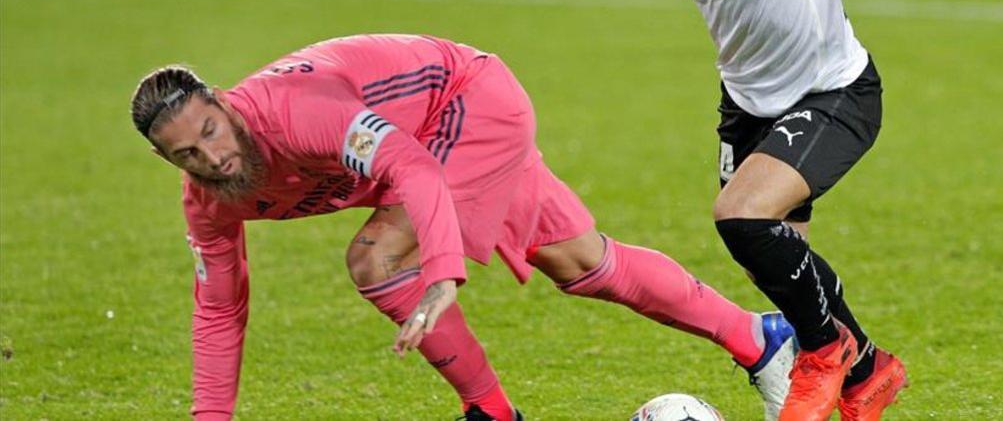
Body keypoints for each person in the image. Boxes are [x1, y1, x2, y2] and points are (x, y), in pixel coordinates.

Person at [401, 0, 1003, 421]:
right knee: (777, 259)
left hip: (831, 90)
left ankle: (825, 356)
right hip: (746, 102)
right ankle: (870, 370)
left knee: (742, 216)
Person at [131, 33, 800, 421]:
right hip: (435, 136)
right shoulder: (210, 199)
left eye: (211, 130)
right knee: (583, 264)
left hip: (467, 106)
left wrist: (443, 271)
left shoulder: (295, 111)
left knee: (376, 257)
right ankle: (761, 337)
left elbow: (411, 169)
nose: (212, 155)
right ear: (166, 160)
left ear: (221, 102)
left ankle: (490, 411)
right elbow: (219, 310)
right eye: (187, 153)